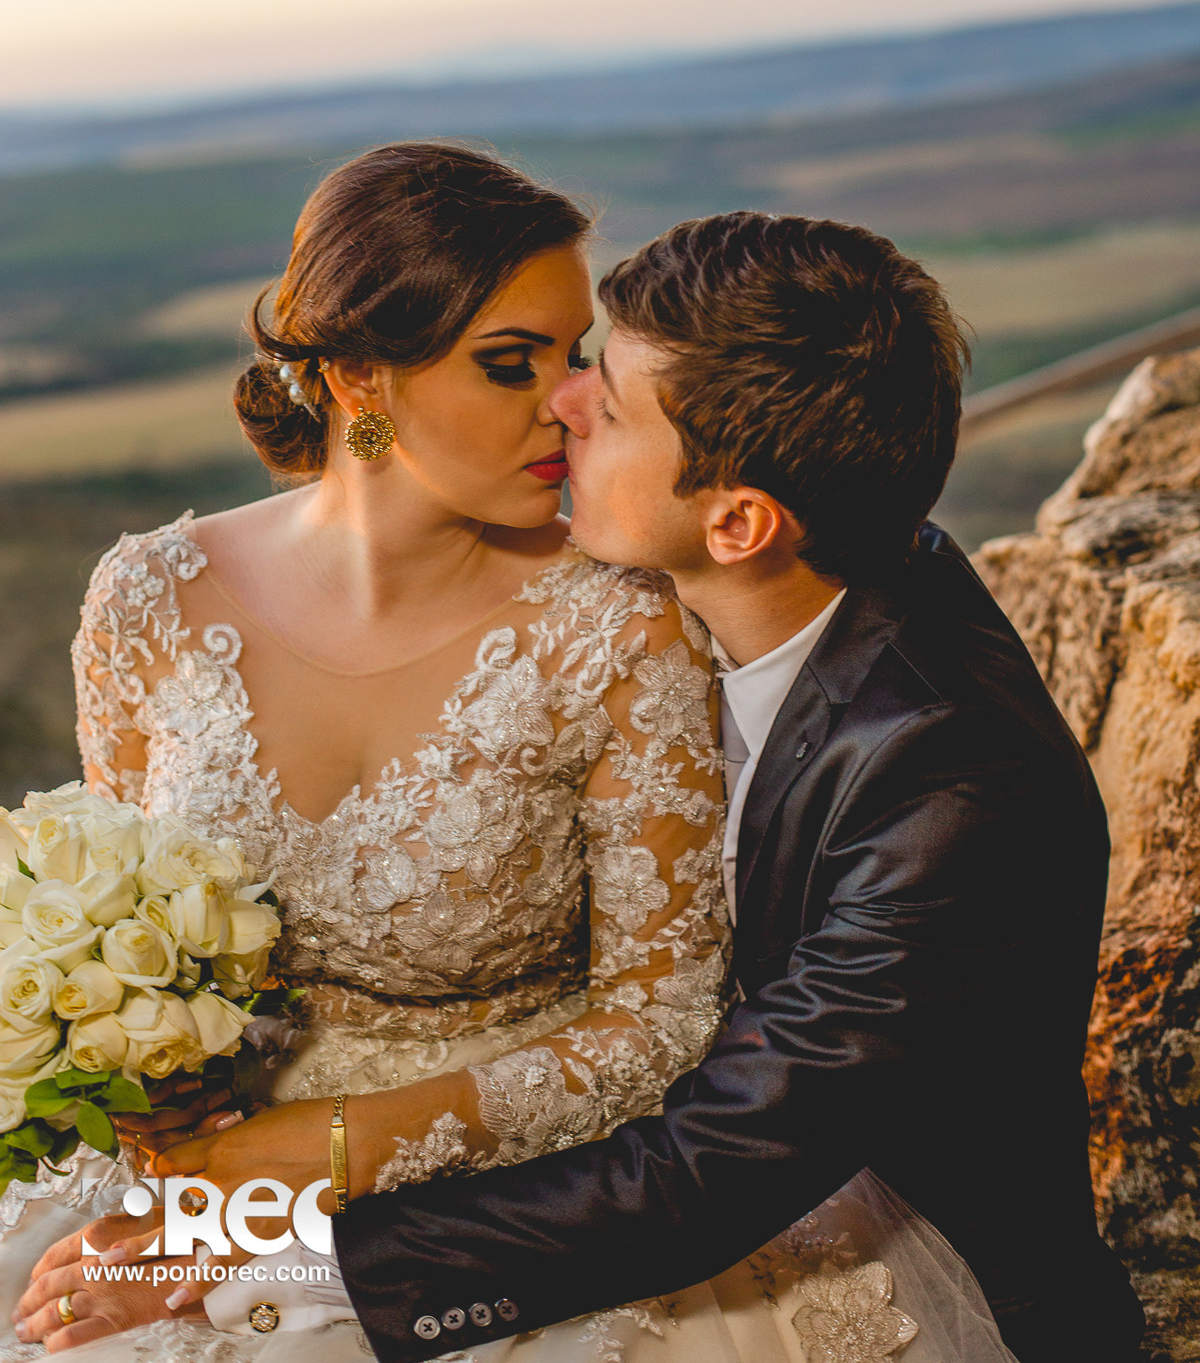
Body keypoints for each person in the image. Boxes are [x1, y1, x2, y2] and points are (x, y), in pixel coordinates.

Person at [314, 212, 1142, 1363]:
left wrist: (289, 1251)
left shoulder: (953, 781)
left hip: (890, 1260)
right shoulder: (764, 583)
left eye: (609, 404)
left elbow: (711, 1169)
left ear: (740, 521)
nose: (562, 401)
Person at [1, 143, 733, 1359]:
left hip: (496, 1197)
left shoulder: (619, 625)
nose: (566, 402)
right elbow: (107, 914)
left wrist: (314, 1166)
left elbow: (662, 1026)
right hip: (194, 1170)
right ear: (355, 374)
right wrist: (150, 1084)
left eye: (574, 360)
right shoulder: (150, 597)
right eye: (512, 364)